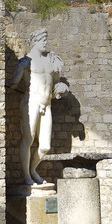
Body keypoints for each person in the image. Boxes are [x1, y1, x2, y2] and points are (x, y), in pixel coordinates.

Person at [11, 29, 66, 187]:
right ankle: (27, 176)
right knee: (28, 139)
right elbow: (13, 82)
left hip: (47, 103)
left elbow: (56, 85)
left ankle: (33, 170)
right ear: (34, 41)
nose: (45, 43)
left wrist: (62, 89)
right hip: (31, 102)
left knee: (45, 146)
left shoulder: (51, 60)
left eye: (45, 40)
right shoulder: (25, 62)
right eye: (42, 40)